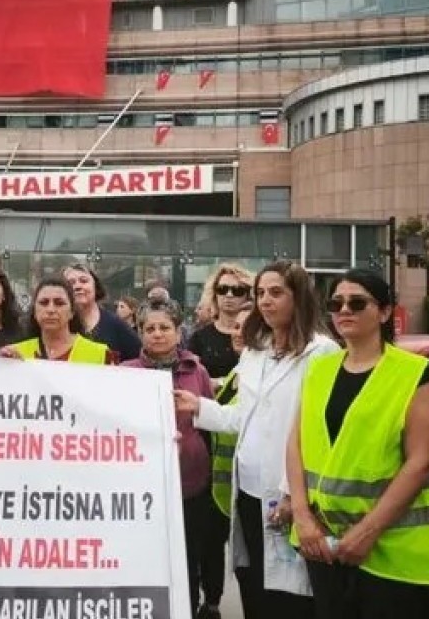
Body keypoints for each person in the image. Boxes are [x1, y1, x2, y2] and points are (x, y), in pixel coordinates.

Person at [174, 260, 338, 619]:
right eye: (260, 292)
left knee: (292, 596)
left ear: (299, 298)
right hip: (248, 490)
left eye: (276, 292)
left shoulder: (322, 352)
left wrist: (295, 493)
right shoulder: (254, 350)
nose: (265, 301)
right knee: (254, 586)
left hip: (288, 492)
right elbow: (241, 418)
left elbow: (321, 432)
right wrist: (197, 406)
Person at [285, 268, 429, 618]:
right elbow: (296, 444)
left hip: (392, 550)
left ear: (385, 312)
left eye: (357, 302)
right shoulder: (319, 369)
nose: (344, 310)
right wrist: (301, 516)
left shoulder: (418, 374)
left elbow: (420, 463)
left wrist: (366, 533)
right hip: (323, 543)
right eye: (336, 303)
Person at [122, 299, 219, 617]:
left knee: (187, 560)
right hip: (144, 487)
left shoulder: (198, 370)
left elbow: (210, 421)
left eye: (165, 327)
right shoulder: (125, 373)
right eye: (149, 328)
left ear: (179, 332)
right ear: (139, 333)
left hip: (191, 484)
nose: (157, 334)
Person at [205, 306, 251, 619]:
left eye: (244, 328)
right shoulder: (240, 370)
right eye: (234, 327)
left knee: (251, 573)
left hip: (247, 490)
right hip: (223, 492)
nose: (236, 333)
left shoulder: (257, 373)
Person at [1, 277, 112, 364]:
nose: (50, 310)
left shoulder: (100, 354)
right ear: (34, 311)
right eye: (44, 303)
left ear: (72, 311)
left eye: (59, 303)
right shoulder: (14, 354)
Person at [62, 264, 141, 362]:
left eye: (84, 281)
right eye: (71, 283)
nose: (77, 286)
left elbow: (139, 361)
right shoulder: (59, 325)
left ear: (96, 286)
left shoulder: (116, 325)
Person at [189, 264, 254, 381]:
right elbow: (191, 377)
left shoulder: (257, 335)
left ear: (248, 296)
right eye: (222, 289)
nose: (229, 295)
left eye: (237, 291)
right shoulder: (199, 337)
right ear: (215, 294)